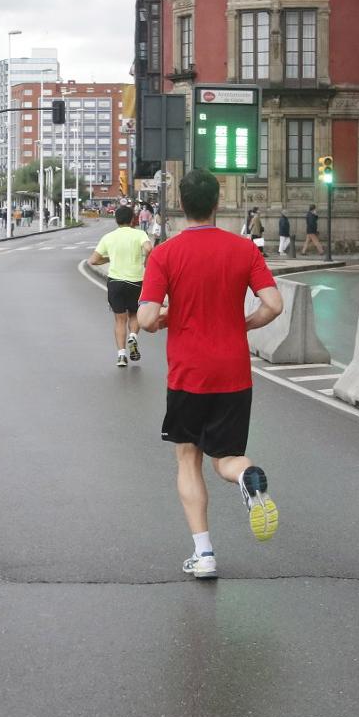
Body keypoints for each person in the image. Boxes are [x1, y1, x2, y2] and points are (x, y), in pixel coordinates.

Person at [137, 168, 284, 579]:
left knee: (188, 459)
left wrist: (165, 316)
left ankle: (204, 555)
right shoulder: (243, 250)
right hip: (234, 372)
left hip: (188, 374)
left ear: (181, 205)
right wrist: (245, 324)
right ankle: (247, 476)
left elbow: (146, 318)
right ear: (217, 204)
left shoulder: (165, 254)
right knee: (227, 459)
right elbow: (273, 304)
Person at [88, 205, 153, 367]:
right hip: (136, 281)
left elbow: (93, 260)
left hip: (115, 282)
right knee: (134, 314)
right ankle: (133, 336)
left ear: (116, 220)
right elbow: (148, 248)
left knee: (119, 319)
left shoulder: (108, 237)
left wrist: (109, 259)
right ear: (132, 219)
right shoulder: (139, 234)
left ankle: (121, 356)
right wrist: (146, 260)